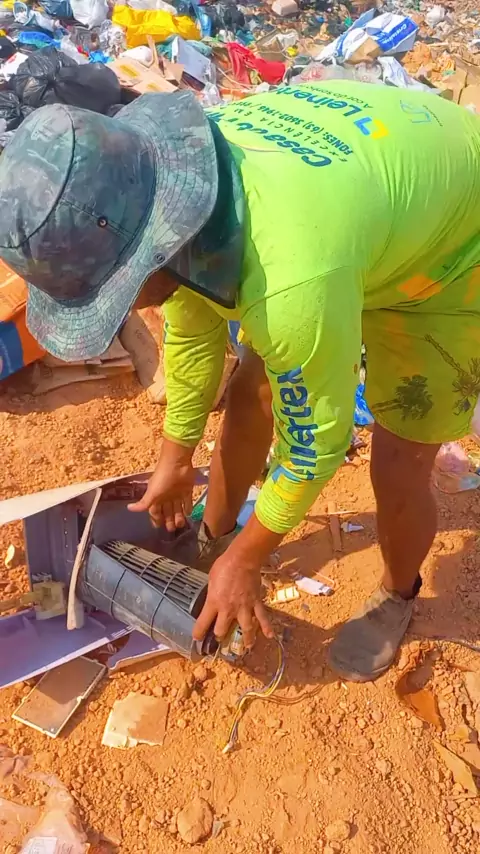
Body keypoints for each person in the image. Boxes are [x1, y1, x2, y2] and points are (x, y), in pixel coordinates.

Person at [1, 81, 479, 683]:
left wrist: (251, 558)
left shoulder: (289, 282)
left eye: (109, 295)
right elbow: (193, 333)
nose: (121, 311)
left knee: (400, 457)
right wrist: (175, 456)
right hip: (365, 201)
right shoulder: (173, 189)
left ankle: (397, 594)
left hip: (452, 244)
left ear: (150, 254)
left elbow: (317, 444)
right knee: (257, 385)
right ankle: (214, 536)